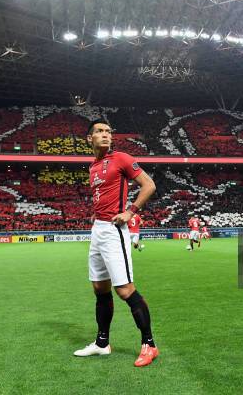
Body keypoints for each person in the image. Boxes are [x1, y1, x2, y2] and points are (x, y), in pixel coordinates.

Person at [74, 121, 159, 367]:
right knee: (100, 289)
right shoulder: (93, 166)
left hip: (114, 231)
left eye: (109, 131)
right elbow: (103, 195)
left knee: (124, 290)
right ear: (89, 139)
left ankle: (150, 345)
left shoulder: (121, 158)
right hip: (98, 229)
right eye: (99, 131)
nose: (105, 135)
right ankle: (102, 344)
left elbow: (149, 185)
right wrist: (95, 214)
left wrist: (131, 211)